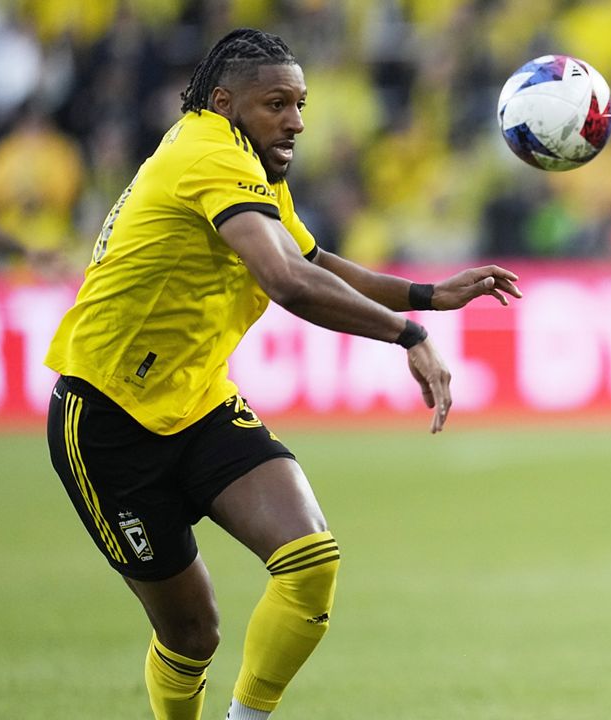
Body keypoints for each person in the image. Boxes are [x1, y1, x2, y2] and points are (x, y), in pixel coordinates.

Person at [43, 28, 522, 720]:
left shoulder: (247, 164)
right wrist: (407, 333)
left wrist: (429, 295)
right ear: (223, 100)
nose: (296, 120)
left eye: (300, 103)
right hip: (108, 417)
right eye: (277, 104)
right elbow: (285, 282)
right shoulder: (206, 154)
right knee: (190, 631)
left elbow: (314, 261)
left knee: (309, 559)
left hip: (197, 399)